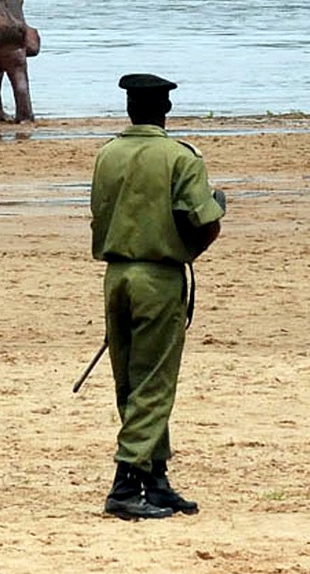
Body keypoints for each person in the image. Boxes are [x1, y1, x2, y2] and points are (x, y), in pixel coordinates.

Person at [90, 73, 225, 520]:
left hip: (116, 277)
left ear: (129, 110)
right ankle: (126, 482)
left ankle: (155, 477)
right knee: (154, 382)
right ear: (164, 111)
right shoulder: (180, 157)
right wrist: (190, 245)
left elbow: (100, 216)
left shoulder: (107, 154)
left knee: (130, 379)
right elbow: (205, 222)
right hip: (158, 278)